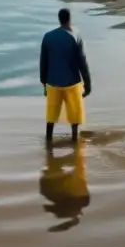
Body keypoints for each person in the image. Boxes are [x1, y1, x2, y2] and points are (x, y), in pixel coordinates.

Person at [39, 8, 92, 145]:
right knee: (74, 117)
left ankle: (48, 143)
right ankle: (75, 142)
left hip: (52, 83)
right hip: (72, 83)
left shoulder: (48, 37)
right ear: (69, 19)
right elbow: (82, 62)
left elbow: (43, 63)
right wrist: (88, 84)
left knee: (51, 117)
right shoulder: (75, 35)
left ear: (59, 19)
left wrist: (44, 84)